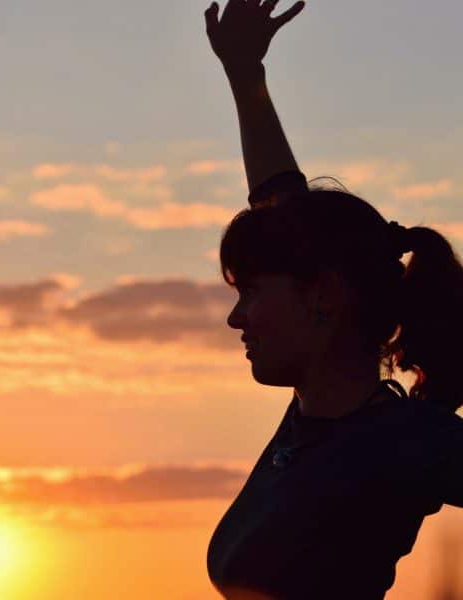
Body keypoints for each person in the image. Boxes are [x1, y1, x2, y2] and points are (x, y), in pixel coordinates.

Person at [203, 1, 463, 598]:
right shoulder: (314, 421)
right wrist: (246, 78)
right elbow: (285, 209)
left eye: (251, 293)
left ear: (322, 297)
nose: (235, 317)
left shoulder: (403, 440)